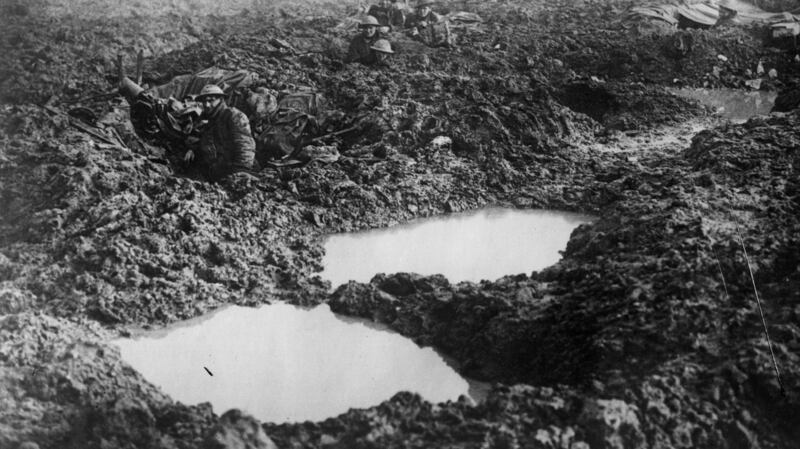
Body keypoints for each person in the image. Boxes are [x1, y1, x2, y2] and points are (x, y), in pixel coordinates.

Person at [186, 84, 256, 180]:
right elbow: (197, 136)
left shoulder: (233, 116)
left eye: (211, 100)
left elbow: (245, 145)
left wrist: (242, 171)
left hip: (234, 170)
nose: (207, 105)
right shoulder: (206, 118)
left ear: (221, 99)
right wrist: (192, 149)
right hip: (215, 171)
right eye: (204, 101)